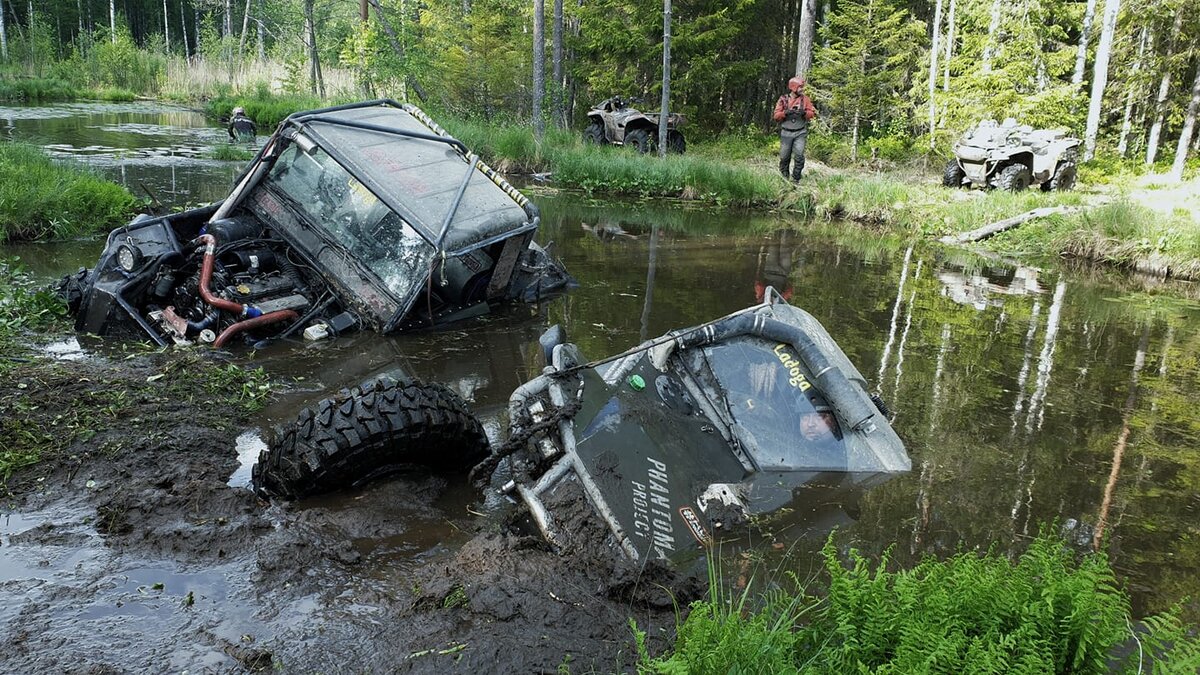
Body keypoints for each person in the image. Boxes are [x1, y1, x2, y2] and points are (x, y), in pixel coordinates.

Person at [772, 77, 817, 181]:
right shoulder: (783, 99)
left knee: (799, 156)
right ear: (793, 87)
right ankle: (784, 178)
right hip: (786, 133)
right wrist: (785, 113)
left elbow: (812, 114)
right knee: (784, 157)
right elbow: (776, 116)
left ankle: (796, 179)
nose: (802, 89)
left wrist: (804, 113)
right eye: (800, 87)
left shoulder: (805, 99)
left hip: (800, 132)